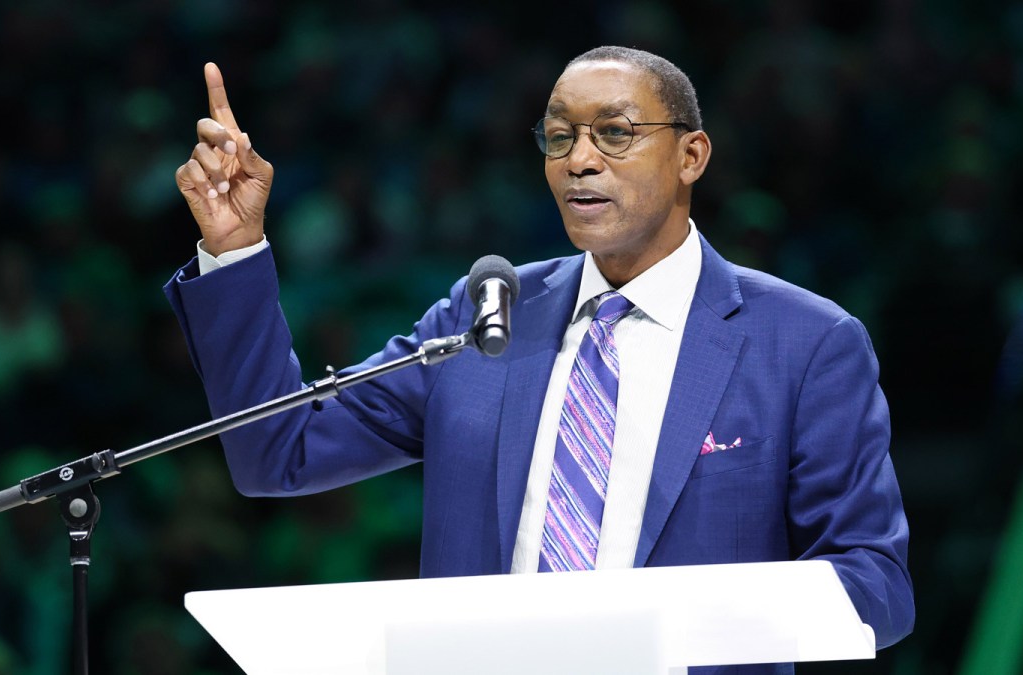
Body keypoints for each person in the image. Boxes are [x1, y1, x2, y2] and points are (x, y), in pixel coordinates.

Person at [165, 46, 914, 672]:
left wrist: (684, 619)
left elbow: (875, 587)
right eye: (559, 137)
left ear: (692, 154)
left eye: (614, 133)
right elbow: (277, 451)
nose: (579, 160)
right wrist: (234, 252)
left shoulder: (805, 342)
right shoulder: (488, 313)